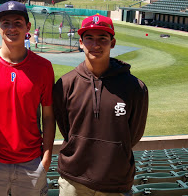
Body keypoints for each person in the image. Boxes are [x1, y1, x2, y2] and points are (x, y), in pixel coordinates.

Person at [53, 14, 149, 196]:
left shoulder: (135, 87)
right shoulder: (65, 84)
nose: (95, 45)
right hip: (73, 180)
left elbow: (134, 134)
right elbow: (66, 128)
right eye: (89, 38)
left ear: (112, 43)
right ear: (80, 42)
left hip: (115, 180)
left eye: (102, 39)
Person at [0, 1, 55, 195]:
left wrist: (47, 156)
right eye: (6, 23)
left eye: (18, 22)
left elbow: (49, 115)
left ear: (28, 27)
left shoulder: (43, 67)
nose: (12, 28)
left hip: (32, 163)